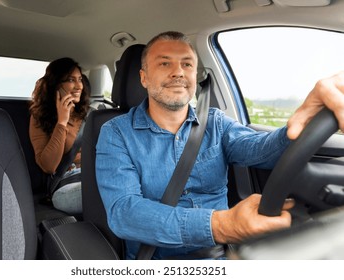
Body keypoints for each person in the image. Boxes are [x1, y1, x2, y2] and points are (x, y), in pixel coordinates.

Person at [95, 31, 344, 260]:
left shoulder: (215, 123)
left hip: (222, 257)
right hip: (155, 261)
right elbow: (124, 213)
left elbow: (261, 149)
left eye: (187, 64)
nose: (178, 72)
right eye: (164, 63)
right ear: (144, 78)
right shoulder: (116, 132)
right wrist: (222, 225)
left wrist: (304, 119)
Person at [29, 57, 90, 214]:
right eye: (71, 80)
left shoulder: (90, 114)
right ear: (56, 85)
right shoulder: (39, 117)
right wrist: (62, 122)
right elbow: (49, 166)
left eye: (80, 80)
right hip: (66, 184)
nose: (78, 86)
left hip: (94, 176)